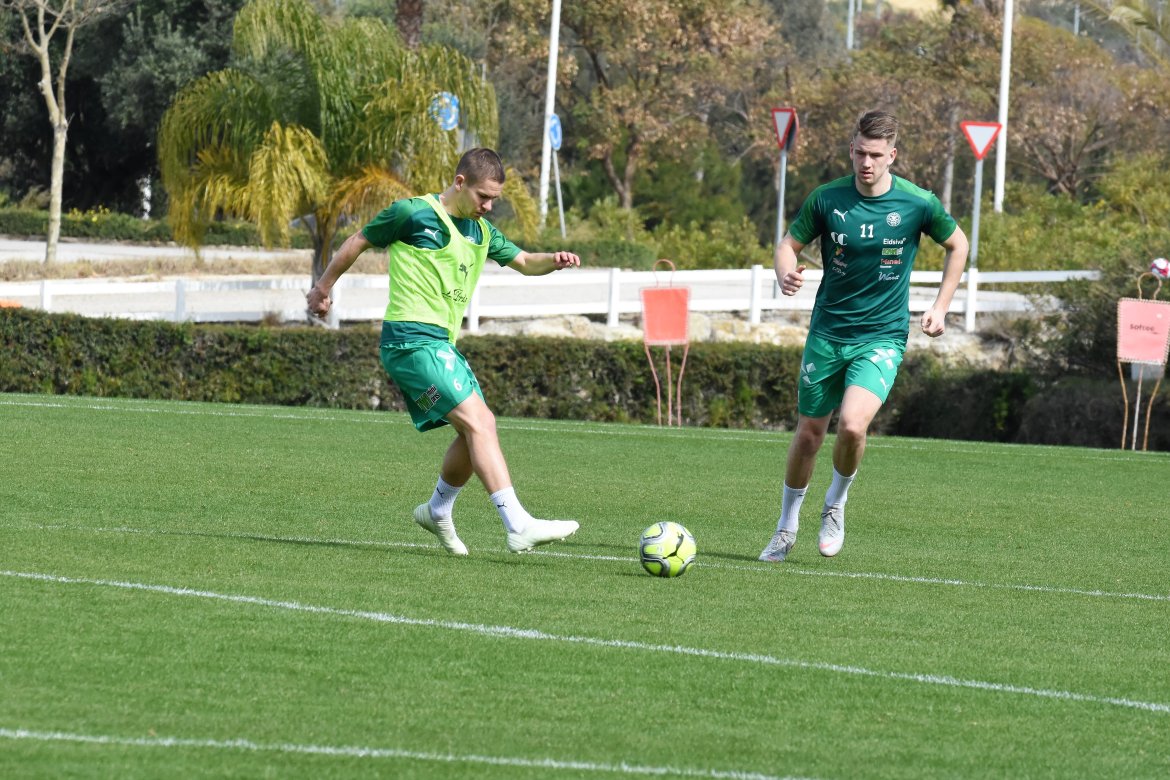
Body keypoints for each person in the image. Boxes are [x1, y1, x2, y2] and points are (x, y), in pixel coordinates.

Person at [307, 148, 581, 556]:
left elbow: (524, 261)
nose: (488, 207)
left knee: (475, 431)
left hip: (441, 346)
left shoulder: (482, 232)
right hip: (410, 341)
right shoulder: (413, 213)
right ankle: (518, 525)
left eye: (494, 200)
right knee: (480, 424)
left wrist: (554, 261)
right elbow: (357, 241)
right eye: (483, 197)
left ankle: (437, 509)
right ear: (459, 183)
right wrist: (322, 288)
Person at [759, 110, 969, 562]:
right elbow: (787, 246)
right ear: (851, 149)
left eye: (875, 155)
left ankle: (834, 505)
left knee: (853, 425)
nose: (866, 163)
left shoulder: (917, 202)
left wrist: (941, 306)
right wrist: (784, 273)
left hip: (881, 335)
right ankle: (786, 526)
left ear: (892, 155)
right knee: (810, 434)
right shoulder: (827, 198)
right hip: (828, 332)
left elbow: (958, 244)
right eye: (859, 153)